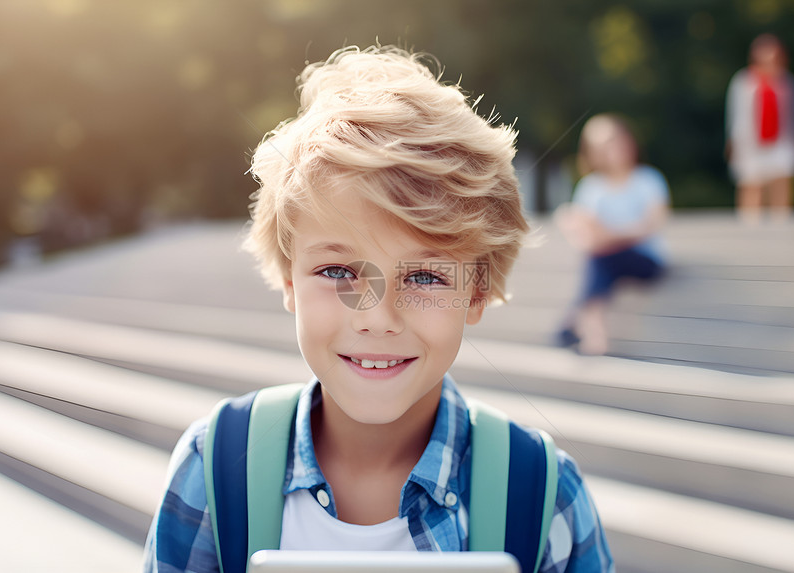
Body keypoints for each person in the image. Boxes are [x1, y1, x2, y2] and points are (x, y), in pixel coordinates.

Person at [142, 45, 613, 573]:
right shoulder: (217, 466)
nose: (378, 317)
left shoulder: (541, 495)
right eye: (338, 272)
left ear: (476, 293)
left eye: (425, 276)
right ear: (289, 279)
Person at [554, 114, 669, 356]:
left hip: (645, 259)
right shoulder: (591, 186)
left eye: (616, 140)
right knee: (599, 259)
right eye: (604, 145)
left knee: (600, 257)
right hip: (603, 256)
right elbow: (585, 237)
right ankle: (592, 335)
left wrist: (607, 235)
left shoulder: (648, 179)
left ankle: (578, 323)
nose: (612, 149)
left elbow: (652, 226)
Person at [725, 34, 794, 224]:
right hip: (751, 142)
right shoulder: (744, 81)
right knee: (751, 183)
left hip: (781, 141)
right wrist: (734, 141)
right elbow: (736, 113)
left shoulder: (786, 81)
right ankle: (749, 225)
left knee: (781, 182)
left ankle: (782, 224)